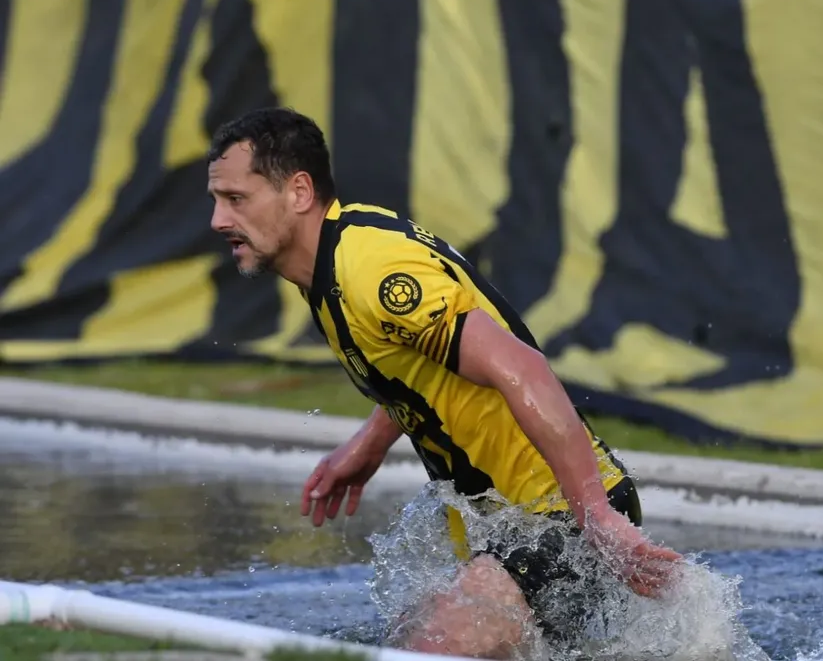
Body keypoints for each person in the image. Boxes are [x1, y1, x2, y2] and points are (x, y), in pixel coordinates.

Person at [206, 106, 683, 658]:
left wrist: (595, 515)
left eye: (236, 199)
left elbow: (522, 367)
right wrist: (368, 443)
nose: (218, 220)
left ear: (299, 191)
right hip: (513, 527)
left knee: (433, 652)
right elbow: (419, 362)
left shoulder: (371, 274)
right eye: (217, 199)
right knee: (408, 637)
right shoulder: (336, 256)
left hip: (560, 520)